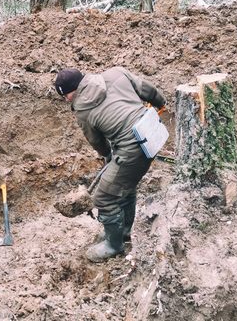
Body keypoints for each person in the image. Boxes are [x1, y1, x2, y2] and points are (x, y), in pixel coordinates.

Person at [55, 67, 166, 263]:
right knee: (122, 186)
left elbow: (96, 141)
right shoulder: (116, 73)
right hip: (152, 131)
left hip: (133, 149)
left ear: (74, 90)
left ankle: (113, 245)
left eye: (67, 96)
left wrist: (107, 155)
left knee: (104, 197)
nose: (67, 100)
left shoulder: (82, 109)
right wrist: (160, 105)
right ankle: (123, 231)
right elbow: (147, 90)